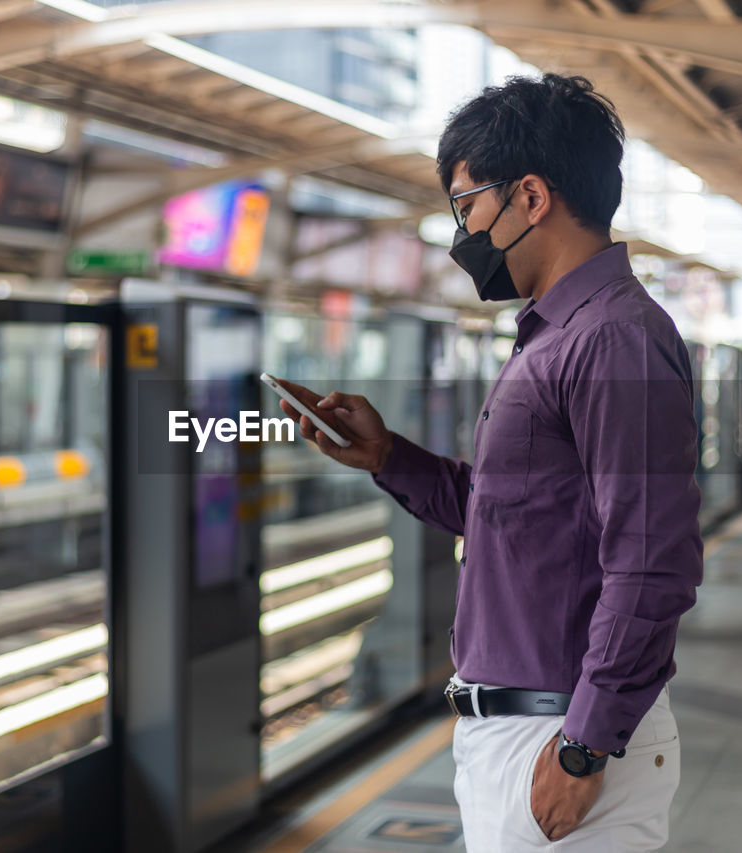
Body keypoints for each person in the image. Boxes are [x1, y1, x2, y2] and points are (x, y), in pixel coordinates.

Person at [271, 74, 702, 851]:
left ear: (531, 196)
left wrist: (584, 746)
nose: (461, 230)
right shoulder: (556, 334)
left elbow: (653, 563)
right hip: (522, 730)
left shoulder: (613, 338)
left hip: (561, 734)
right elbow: (512, 519)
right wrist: (387, 457)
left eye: (467, 204)